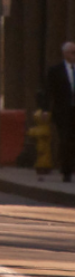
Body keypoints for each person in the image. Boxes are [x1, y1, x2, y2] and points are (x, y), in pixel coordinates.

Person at [45, 41, 75, 181]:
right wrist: (45, 109)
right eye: (72, 52)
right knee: (65, 140)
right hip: (63, 112)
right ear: (65, 54)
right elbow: (48, 92)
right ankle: (66, 171)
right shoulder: (55, 71)